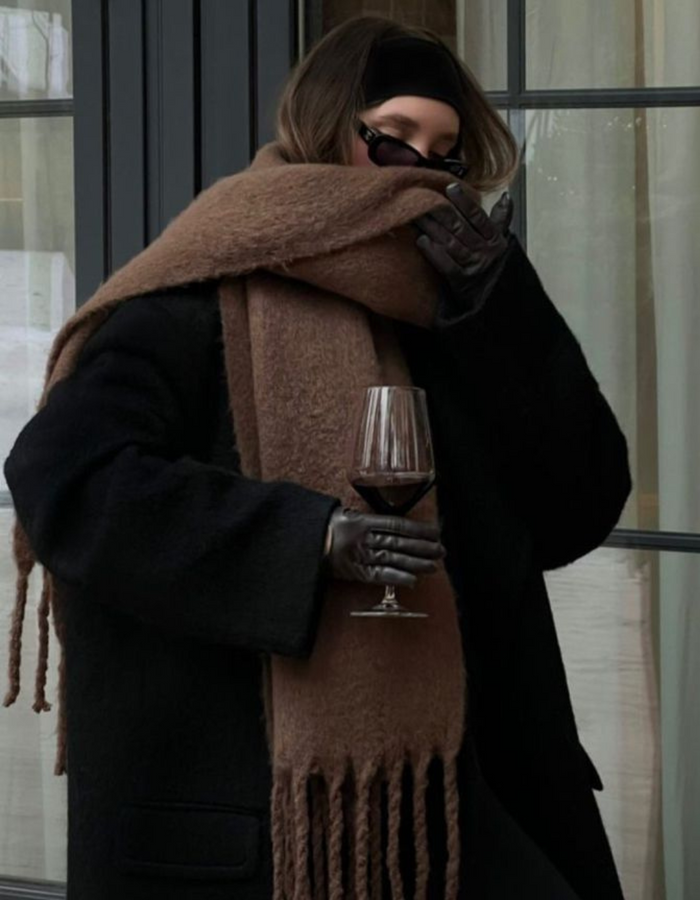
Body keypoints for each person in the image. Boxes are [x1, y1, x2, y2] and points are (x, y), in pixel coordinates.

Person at [2, 14, 632, 900]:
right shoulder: (194, 291)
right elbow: (67, 477)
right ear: (329, 128)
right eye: (394, 136)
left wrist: (504, 312)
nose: (418, 167)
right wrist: (308, 543)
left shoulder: (453, 309)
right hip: (262, 820)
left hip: (467, 794)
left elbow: (580, 507)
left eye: (444, 151)